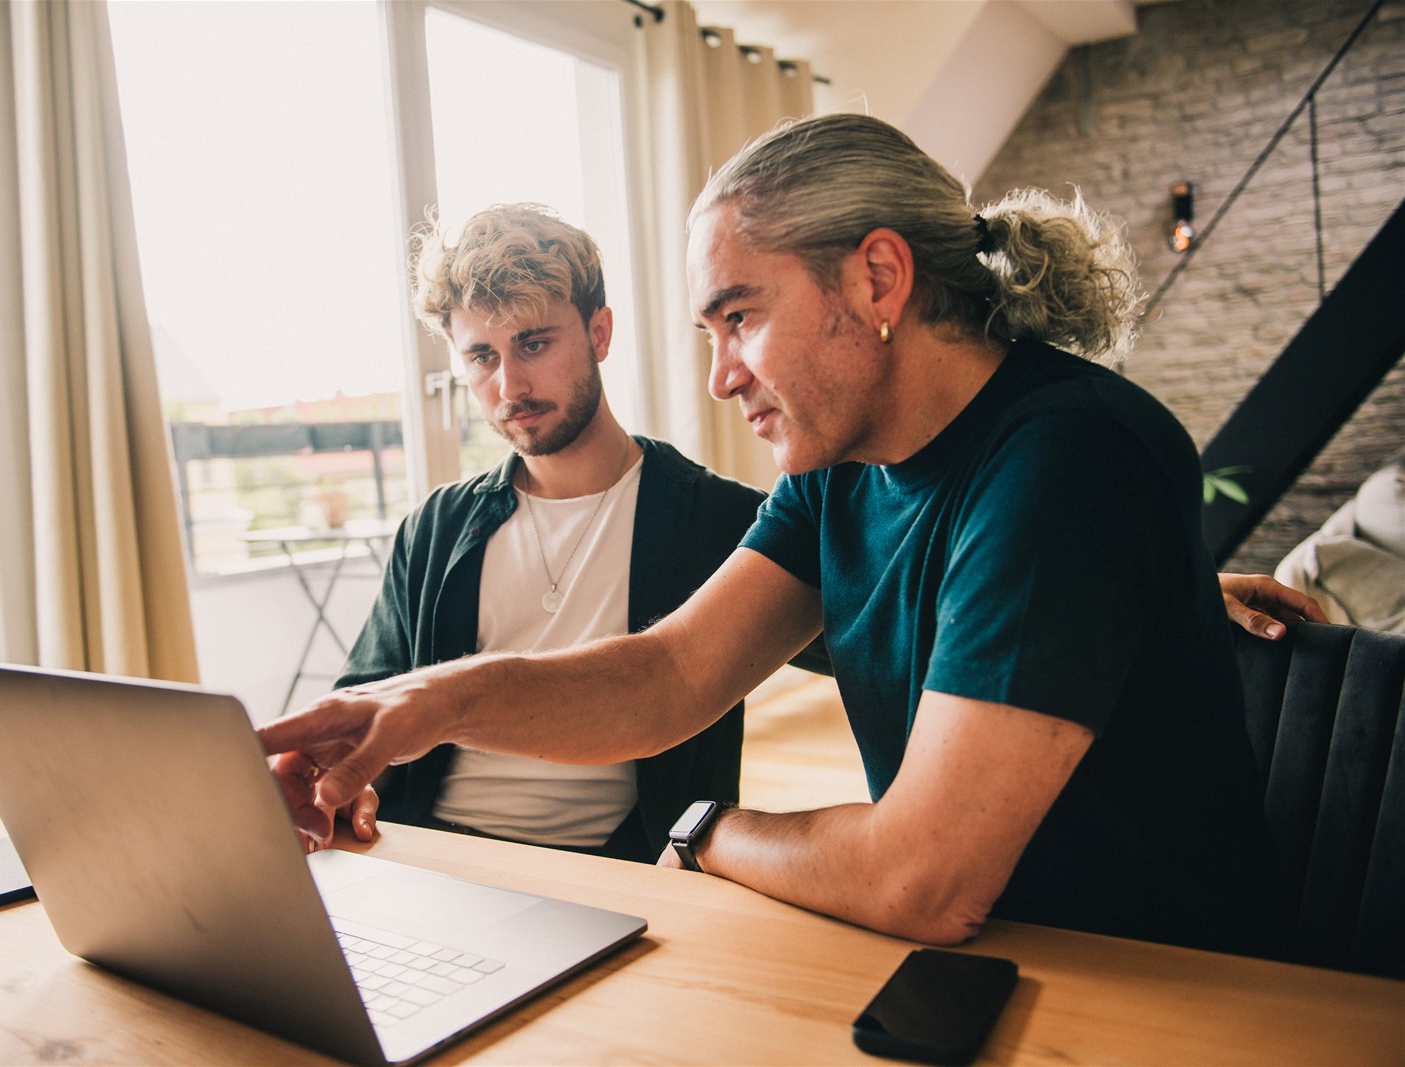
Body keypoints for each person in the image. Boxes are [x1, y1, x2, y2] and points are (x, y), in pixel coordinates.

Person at [266, 117, 1324, 956]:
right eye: (709, 329)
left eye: (740, 316)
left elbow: (921, 880)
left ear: (876, 278)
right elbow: (670, 673)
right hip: (987, 963)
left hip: (1170, 989)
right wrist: (421, 702)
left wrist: (706, 830)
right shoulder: (838, 468)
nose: (721, 373)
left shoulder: (1067, 456)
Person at [302, 203, 793, 862]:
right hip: (429, 859)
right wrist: (345, 787)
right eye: (481, 355)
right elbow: (363, 714)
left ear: (600, 332)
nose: (509, 384)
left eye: (533, 343)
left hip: (622, 875)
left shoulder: (721, 520)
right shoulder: (436, 529)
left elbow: (882, 633)